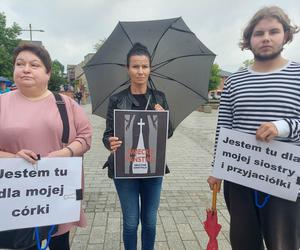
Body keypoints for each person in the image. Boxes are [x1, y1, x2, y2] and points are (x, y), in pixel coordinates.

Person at [207, 6, 300, 250]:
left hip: (284, 179)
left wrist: (283, 127)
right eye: (259, 33)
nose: (266, 38)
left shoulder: (298, 75)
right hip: (240, 178)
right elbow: (224, 128)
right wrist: (217, 169)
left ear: (286, 36)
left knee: (283, 244)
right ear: (248, 40)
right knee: (243, 242)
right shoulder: (235, 81)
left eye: (273, 31)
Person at [0, 43, 92, 250]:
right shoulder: (1, 104)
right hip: (17, 195)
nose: (26, 69)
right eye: (19, 64)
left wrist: (66, 152)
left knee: (59, 242)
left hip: (56, 191)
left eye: (34, 65)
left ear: (48, 73)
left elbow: (85, 137)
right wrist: (13, 158)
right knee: (24, 244)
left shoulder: (65, 104)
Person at [102, 42, 173, 250]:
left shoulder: (159, 97)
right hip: (124, 170)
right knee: (131, 222)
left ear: (150, 68)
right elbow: (107, 134)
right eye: (135, 66)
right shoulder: (117, 99)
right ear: (128, 69)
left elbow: (167, 133)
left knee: (150, 222)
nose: (140, 71)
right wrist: (110, 142)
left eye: (144, 66)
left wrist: (163, 119)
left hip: (152, 169)